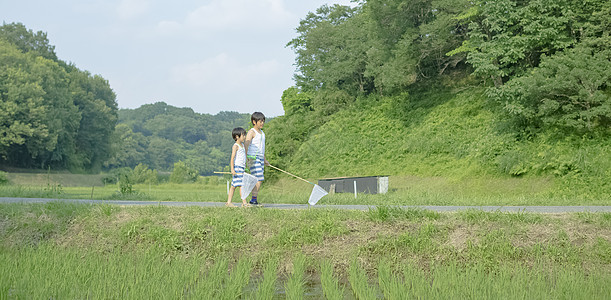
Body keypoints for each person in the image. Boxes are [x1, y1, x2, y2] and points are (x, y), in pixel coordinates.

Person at [244, 112, 269, 205]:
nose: (262, 123)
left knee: (258, 178)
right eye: (260, 121)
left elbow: (261, 148)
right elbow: (246, 144)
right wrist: (246, 157)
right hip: (252, 158)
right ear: (254, 122)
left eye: (263, 121)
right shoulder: (251, 132)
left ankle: (253, 199)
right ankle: (253, 200)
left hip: (260, 158)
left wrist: (265, 159)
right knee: (259, 178)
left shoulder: (262, 133)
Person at [226, 127, 251, 207]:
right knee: (241, 185)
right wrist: (232, 169)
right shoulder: (236, 146)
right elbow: (232, 158)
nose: (244, 137)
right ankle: (244, 203)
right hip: (237, 168)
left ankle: (229, 202)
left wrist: (246, 162)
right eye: (243, 135)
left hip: (241, 168)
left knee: (233, 186)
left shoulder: (243, 145)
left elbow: (243, 156)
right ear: (237, 136)